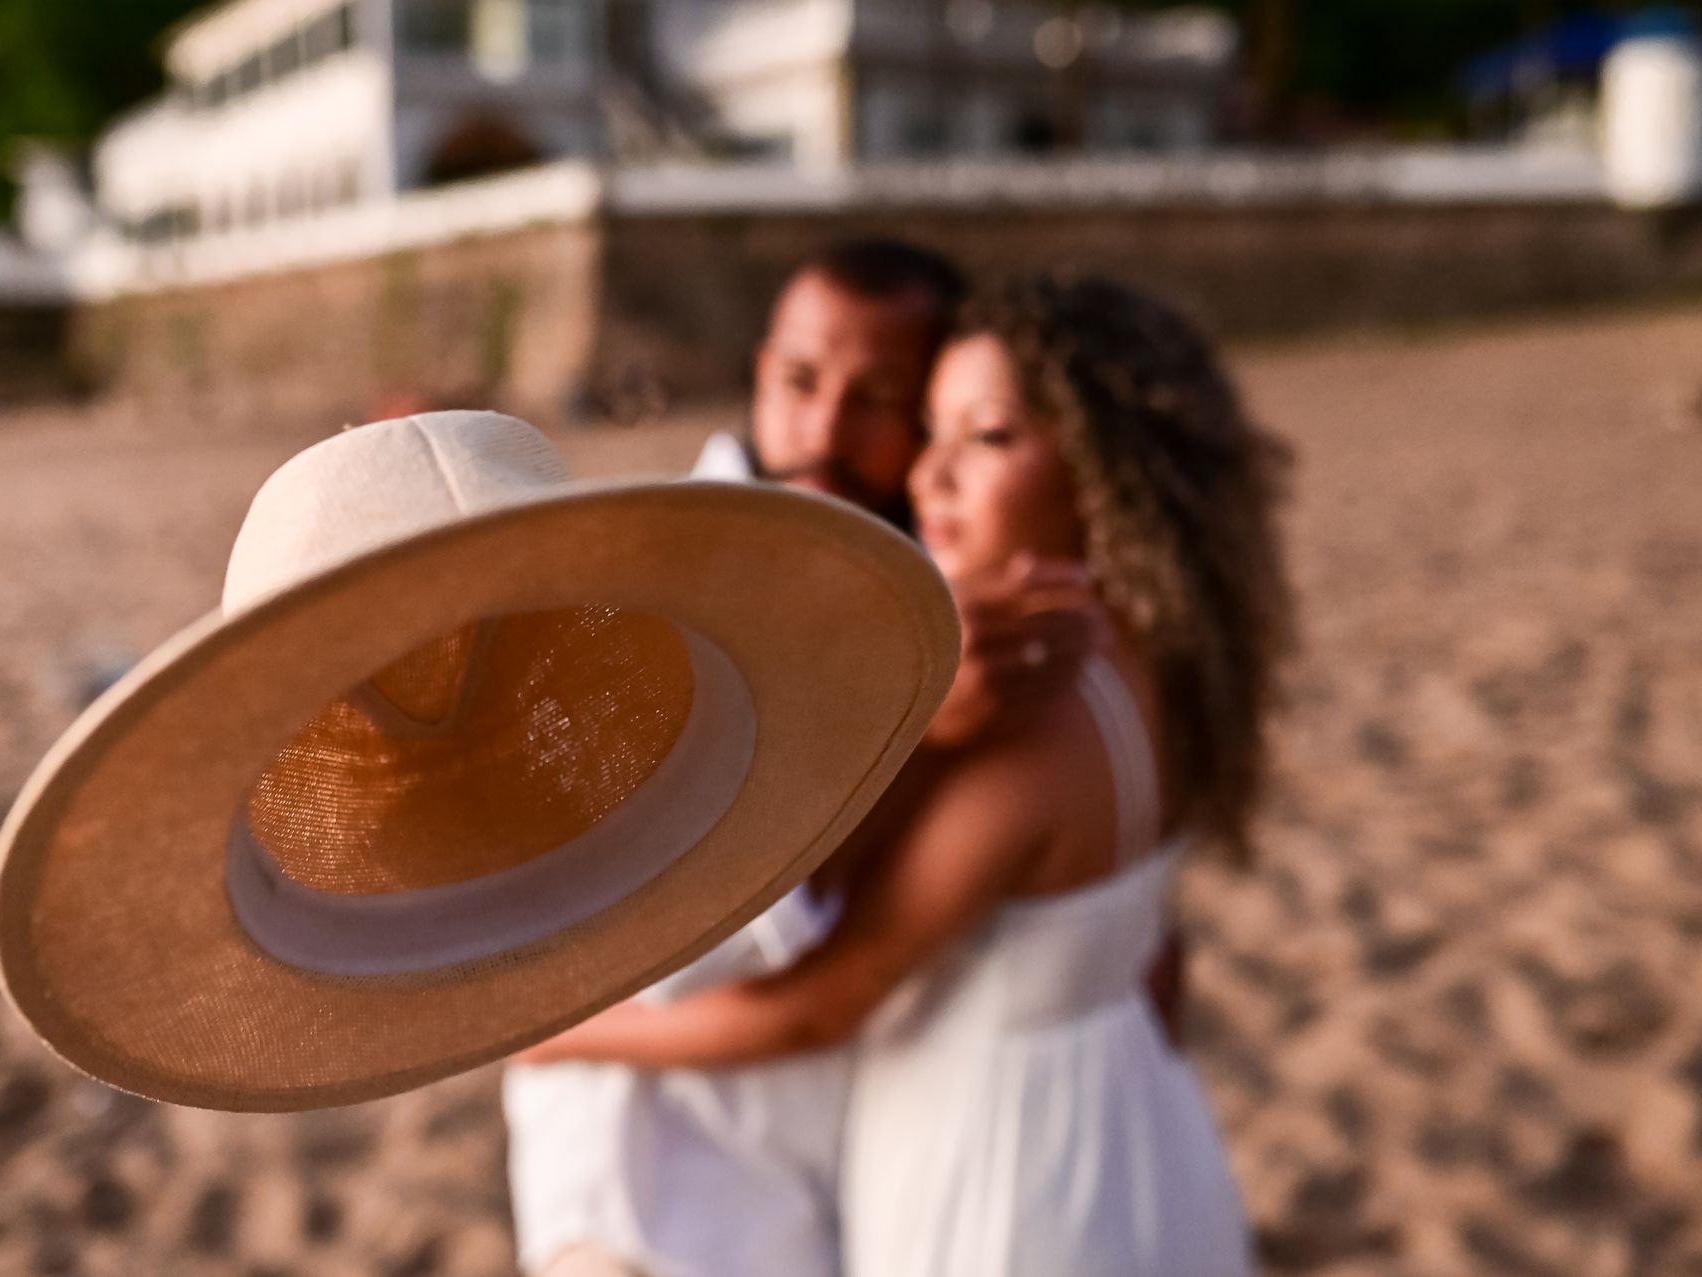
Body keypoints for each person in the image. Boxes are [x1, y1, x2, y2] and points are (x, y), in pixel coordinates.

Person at [520, 273, 1294, 1276]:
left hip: (1008, 1172)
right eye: (934, 429)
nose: (931, 475)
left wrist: (569, 1035)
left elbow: (824, 1000)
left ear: (1105, 468)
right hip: (1140, 1121)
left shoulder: (1036, 708)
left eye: (990, 437)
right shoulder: (1174, 649)